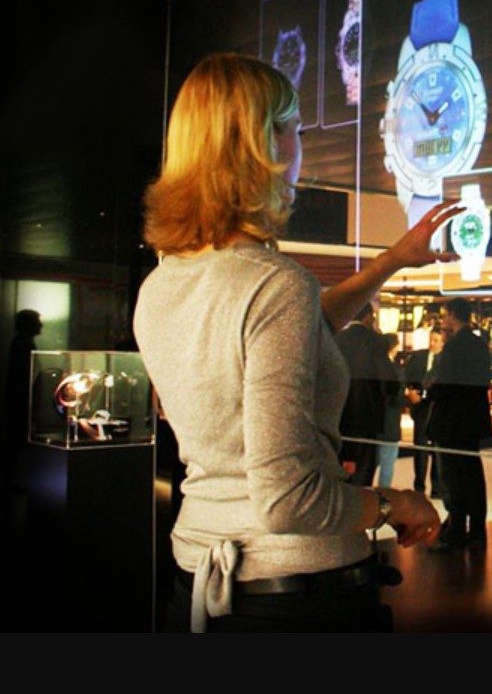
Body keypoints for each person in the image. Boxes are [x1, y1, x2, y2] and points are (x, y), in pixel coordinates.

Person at [133, 52, 461, 633]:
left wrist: (391, 260)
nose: (300, 147)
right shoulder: (274, 285)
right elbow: (290, 501)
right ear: (264, 144)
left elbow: (297, 329)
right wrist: (394, 504)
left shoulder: (162, 285)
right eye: (297, 129)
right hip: (297, 598)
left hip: (199, 582)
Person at [427, 298, 492, 551]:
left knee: (454, 478)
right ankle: (476, 531)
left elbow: (446, 383)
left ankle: (456, 531)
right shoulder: (479, 344)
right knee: (472, 476)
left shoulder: (454, 346)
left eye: (445, 315)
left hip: (453, 421)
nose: (443, 320)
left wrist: (428, 392)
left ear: (453, 315)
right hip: (472, 420)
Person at [334, 302, 390, 486]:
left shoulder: (337, 339)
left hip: (340, 415)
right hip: (368, 416)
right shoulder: (377, 342)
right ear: (367, 316)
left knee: (339, 474)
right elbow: (389, 380)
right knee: (364, 474)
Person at [2, 309, 43, 492]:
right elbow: (22, 379)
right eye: (37, 321)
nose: (41, 325)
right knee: (16, 445)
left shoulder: (20, 344)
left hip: (19, 403)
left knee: (15, 445)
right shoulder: (23, 345)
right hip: (20, 404)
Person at [404, 327, 444, 497]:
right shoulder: (418, 357)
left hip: (438, 410)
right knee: (420, 449)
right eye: (431, 339)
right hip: (420, 411)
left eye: (436, 340)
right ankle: (419, 487)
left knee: (438, 451)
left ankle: (437, 488)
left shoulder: (447, 361)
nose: (432, 343)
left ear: (443, 343)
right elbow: (406, 377)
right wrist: (410, 393)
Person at [376, 333, 403, 488]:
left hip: (374, 424)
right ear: (394, 347)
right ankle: (383, 496)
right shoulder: (395, 371)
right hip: (390, 424)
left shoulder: (373, 368)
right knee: (387, 466)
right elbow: (398, 399)